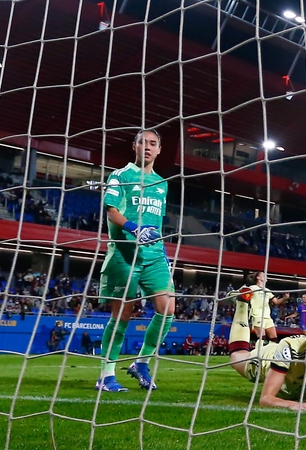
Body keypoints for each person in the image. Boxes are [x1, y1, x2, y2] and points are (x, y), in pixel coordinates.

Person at [96, 128, 174, 392]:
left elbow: (157, 224)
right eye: (143, 142)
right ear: (135, 146)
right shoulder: (121, 175)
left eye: (153, 143)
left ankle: (140, 362)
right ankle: (106, 375)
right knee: (122, 316)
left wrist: (163, 253)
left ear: (159, 149)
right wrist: (133, 227)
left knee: (168, 310)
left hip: (154, 255)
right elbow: (111, 211)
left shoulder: (162, 184)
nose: (148, 147)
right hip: (124, 254)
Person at [235, 272, 289, 343]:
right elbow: (242, 294)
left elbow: (276, 302)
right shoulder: (252, 288)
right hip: (257, 315)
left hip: (267, 317)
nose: (266, 276)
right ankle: (258, 352)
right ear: (258, 277)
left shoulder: (267, 290)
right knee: (261, 338)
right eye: (264, 275)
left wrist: (285, 298)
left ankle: (270, 353)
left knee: (274, 338)